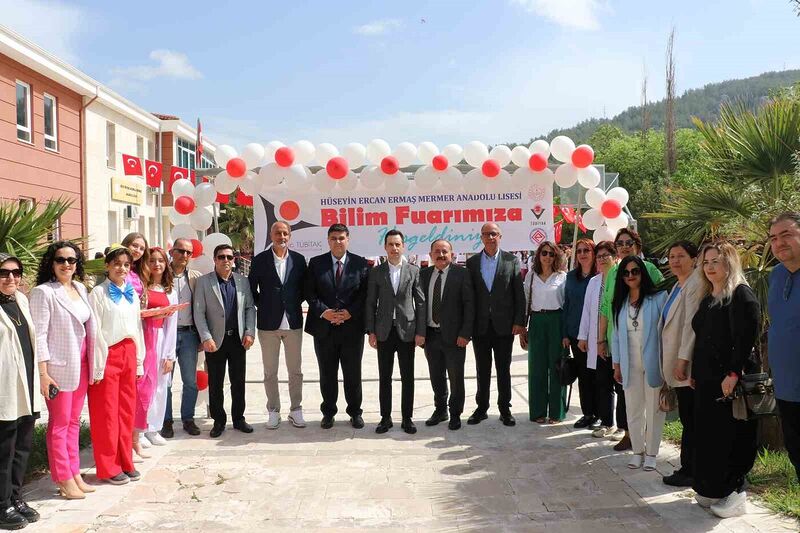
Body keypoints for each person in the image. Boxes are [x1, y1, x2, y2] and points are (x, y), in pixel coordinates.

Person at [691, 242, 759, 518]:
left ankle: (735, 491)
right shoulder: (708, 297)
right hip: (707, 381)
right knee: (710, 435)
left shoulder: (741, 295)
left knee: (733, 436)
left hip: (730, 381)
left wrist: (733, 373)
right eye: (705, 262)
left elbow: (745, 339)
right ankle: (715, 487)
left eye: (715, 261)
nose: (709, 267)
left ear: (729, 263)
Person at [30, 242, 96, 500]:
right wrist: (44, 374)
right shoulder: (43, 293)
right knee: (59, 424)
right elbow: (40, 336)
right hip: (57, 369)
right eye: (61, 259)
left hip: (81, 365)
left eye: (71, 259)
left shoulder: (80, 288)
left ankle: (74, 472)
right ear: (51, 262)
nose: (66, 264)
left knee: (72, 423)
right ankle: (62, 477)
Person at [598, 228, 664, 451]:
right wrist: (601, 340)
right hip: (618, 341)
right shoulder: (614, 272)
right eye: (620, 243)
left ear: (637, 245)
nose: (624, 246)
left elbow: (661, 306)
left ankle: (648, 440)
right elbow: (607, 308)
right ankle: (630, 434)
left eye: (629, 242)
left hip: (647, 344)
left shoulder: (651, 270)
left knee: (648, 396)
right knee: (625, 392)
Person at [87, 245, 145, 485]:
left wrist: (139, 362)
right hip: (108, 354)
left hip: (129, 353)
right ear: (107, 266)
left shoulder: (131, 292)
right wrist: (98, 366)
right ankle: (108, 467)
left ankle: (125, 461)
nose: (122, 268)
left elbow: (137, 329)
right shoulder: (98, 294)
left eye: (126, 265)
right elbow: (95, 332)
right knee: (107, 414)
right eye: (117, 264)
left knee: (125, 413)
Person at [305, 224, 370, 429]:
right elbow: (309, 292)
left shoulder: (360, 263)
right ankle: (328, 412)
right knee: (327, 373)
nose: (338, 242)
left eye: (341, 238)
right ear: (328, 240)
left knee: (353, 373)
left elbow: (365, 294)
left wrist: (350, 312)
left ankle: (355, 412)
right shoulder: (316, 263)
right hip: (324, 329)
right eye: (334, 238)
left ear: (348, 239)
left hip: (352, 328)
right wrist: (325, 312)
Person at [610, 256, 668, 471]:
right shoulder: (620, 303)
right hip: (629, 362)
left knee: (654, 409)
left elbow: (666, 332)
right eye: (626, 273)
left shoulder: (659, 298)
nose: (630, 276)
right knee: (633, 409)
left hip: (653, 361)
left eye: (635, 271)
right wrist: (616, 364)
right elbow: (615, 336)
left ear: (642, 273)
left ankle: (652, 453)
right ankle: (637, 450)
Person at [365, 230, 426, 435]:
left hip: (407, 331)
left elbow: (420, 303)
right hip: (384, 331)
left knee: (407, 376)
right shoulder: (376, 272)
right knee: (385, 377)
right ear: (385, 247)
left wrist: (420, 332)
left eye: (397, 244)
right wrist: (371, 331)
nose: (394, 248)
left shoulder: (413, 271)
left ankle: (407, 418)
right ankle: (385, 418)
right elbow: (371, 303)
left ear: (403, 246)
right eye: (390, 244)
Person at [249, 221, 308, 430]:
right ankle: (273, 410)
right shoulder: (259, 260)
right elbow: (251, 289)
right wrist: (264, 305)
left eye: (285, 233)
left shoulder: (299, 260)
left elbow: (304, 288)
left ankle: (296, 409)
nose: (281, 237)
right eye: (277, 233)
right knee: (270, 371)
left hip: (292, 323)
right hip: (268, 324)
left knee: (295, 370)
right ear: (271, 236)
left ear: (290, 236)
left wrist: (292, 304)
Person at [465, 223, 526, 427]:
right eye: (486, 234)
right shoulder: (472, 262)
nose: (490, 237)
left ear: (500, 236)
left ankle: (505, 409)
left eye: (493, 234)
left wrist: (520, 321)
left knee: (503, 369)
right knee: (482, 369)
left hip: (504, 326)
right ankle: (481, 408)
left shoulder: (511, 260)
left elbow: (519, 293)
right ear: (481, 238)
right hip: (480, 326)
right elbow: (469, 296)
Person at [193, 244, 256, 438]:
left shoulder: (242, 281)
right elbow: (199, 312)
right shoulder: (204, 282)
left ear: (234, 260)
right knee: (216, 383)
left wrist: (249, 332)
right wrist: (206, 337)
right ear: (215, 260)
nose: (226, 260)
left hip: (238, 340)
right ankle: (219, 421)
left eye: (229, 257)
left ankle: (239, 418)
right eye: (221, 257)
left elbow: (249, 308)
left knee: (238, 382)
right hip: (215, 341)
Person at [0, 254, 41, 529]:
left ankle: (16, 497)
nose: (10, 278)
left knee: (22, 446)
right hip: (4, 389)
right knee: (4, 449)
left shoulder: (21, 301)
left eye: (16, 272)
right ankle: (2, 505)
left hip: (26, 385)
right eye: (3, 273)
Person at [660, 241, 702, 487]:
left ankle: (691, 469)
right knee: (687, 417)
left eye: (681, 256)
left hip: (685, 364)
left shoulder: (695, 284)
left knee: (691, 418)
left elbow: (690, 327)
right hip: (675, 360)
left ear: (694, 258)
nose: (675, 261)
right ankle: (689, 466)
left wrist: (683, 360)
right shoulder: (678, 284)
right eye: (672, 256)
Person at [420, 239, 475, 430]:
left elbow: (470, 305)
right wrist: (420, 333)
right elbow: (419, 306)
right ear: (430, 254)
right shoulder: (424, 274)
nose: (441, 255)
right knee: (436, 376)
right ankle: (440, 409)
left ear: (452, 254)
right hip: (431, 336)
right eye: (437, 251)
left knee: (455, 377)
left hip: (455, 337)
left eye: (445, 251)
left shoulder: (462, 273)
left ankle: (455, 413)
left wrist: (465, 334)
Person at [767, 212, 800, 483]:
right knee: (797, 452)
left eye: (786, 234)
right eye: (774, 238)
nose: (779, 243)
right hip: (787, 387)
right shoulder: (776, 276)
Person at [578, 241, 620, 438]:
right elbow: (587, 312)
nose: (602, 259)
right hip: (599, 341)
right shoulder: (594, 282)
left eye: (606, 255)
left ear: (614, 256)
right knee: (603, 383)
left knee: (620, 385)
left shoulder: (622, 277)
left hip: (618, 339)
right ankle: (606, 422)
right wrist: (582, 336)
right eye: (600, 256)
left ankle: (624, 426)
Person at [521, 241, 567, 424]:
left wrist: (566, 333)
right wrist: (522, 328)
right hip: (537, 321)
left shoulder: (562, 277)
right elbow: (525, 302)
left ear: (556, 257)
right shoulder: (531, 276)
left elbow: (567, 304)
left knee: (557, 367)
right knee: (537, 368)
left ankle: (557, 412)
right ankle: (538, 411)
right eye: (544, 253)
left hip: (557, 321)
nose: (548, 257)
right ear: (538, 255)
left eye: (551, 254)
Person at [162, 238, 202, 438]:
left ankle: (188, 418)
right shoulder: (160, 274)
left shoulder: (196, 277)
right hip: (164, 336)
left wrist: (203, 335)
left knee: (190, 381)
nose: (185, 256)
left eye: (189, 252)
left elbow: (202, 309)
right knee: (165, 381)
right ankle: (166, 420)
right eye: (181, 251)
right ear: (172, 252)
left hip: (189, 335)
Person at [138, 248, 177, 448]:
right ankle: (140, 429)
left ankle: (154, 427)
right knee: (143, 386)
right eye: (152, 260)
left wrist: (170, 355)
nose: (157, 264)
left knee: (161, 387)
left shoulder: (170, 291)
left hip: (161, 339)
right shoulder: (139, 288)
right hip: (143, 339)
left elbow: (172, 325)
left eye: (161, 260)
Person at [563, 238, 598, 429]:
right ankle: (588, 413)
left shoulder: (601, 277)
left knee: (598, 377)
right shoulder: (570, 277)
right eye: (579, 251)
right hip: (577, 334)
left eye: (587, 250)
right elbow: (566, 305)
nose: (583, 254)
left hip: (598, 335)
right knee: (584, 377)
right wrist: (565, 334)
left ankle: (602, 414)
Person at [121, 233, 149, 299]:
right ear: (126, 245)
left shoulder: (141, 271)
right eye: (134, 245)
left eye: (142, 249)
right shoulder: (113, 268)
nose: (137, 250)